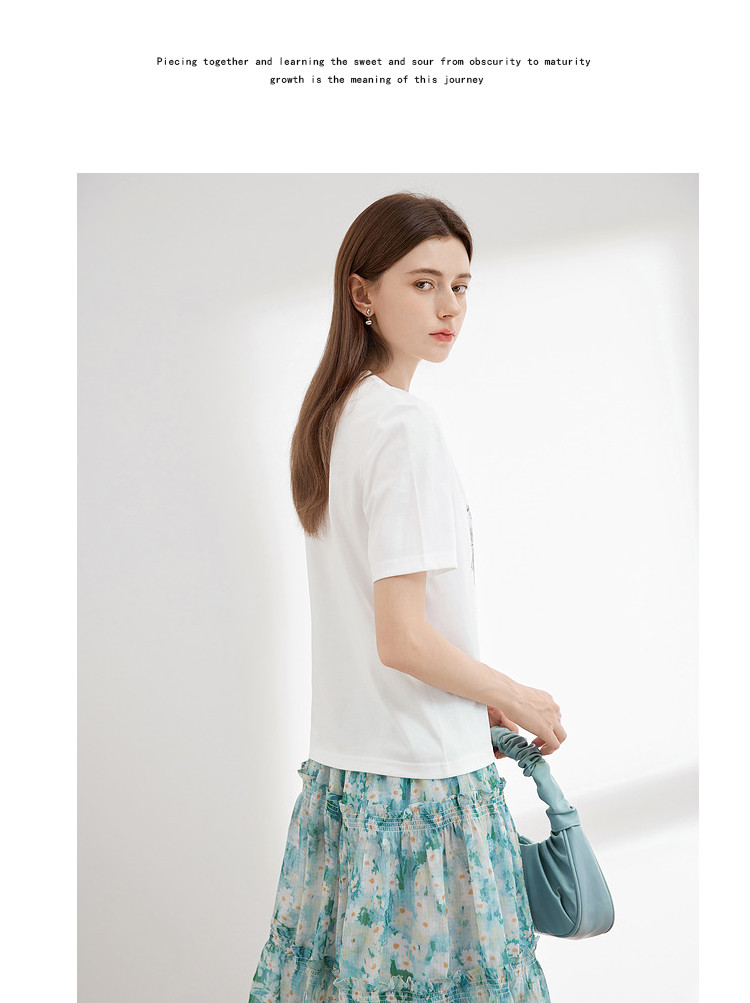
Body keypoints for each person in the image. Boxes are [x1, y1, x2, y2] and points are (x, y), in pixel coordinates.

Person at [248, 192, 566, 1003]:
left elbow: (383, 629)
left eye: (461, 285)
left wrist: (472, 701)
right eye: (423, 284)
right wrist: (515, 694)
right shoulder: (402, 425)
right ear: (362, 293)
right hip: (423, 794)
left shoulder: (335, 418)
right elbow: (403, 637)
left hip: (349, 782)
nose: (449, 307)